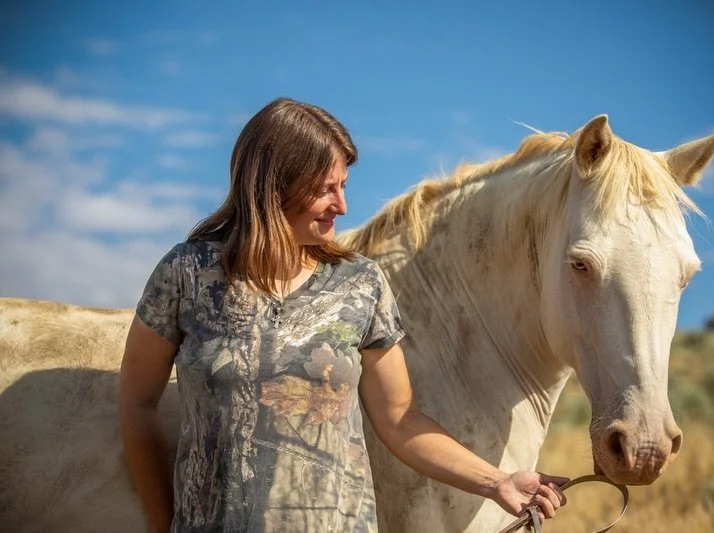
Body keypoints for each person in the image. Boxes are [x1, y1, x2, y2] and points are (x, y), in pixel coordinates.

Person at [118, 97, 568, 533]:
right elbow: (137, 405)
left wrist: (497, 482)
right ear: (272, 187)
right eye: (324, 189)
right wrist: (161, 522)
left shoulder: (360, 283)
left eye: (344, 186)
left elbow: (401, 420)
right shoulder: (187, 274)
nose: (342, 205)